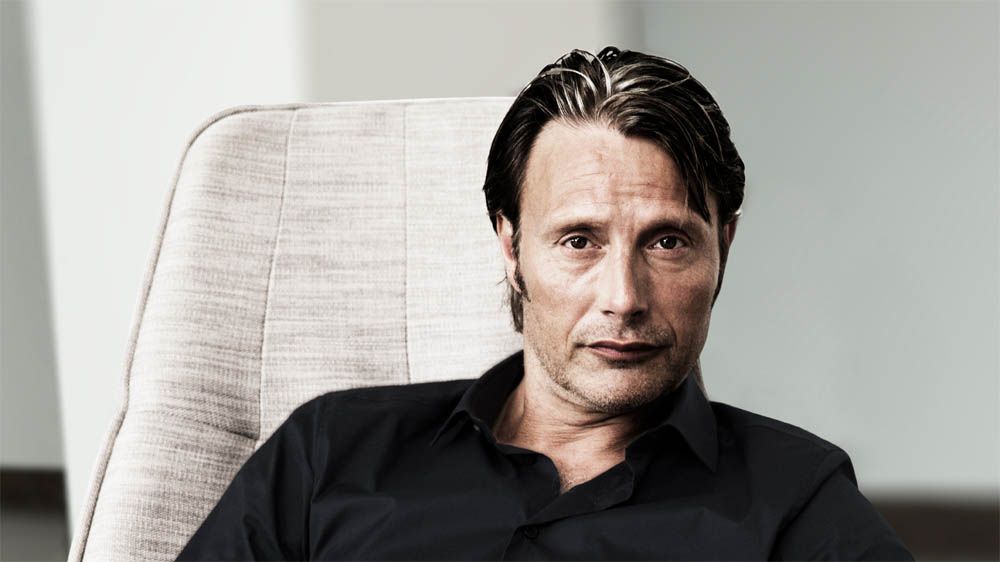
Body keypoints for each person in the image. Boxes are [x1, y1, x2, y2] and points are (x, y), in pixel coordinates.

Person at [176, 46, 913, 561]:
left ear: (724, 246)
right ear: (511, 246)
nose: (624, 299)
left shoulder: (795, 497)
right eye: (578, 241)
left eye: (667, 242)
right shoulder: (330, 450)